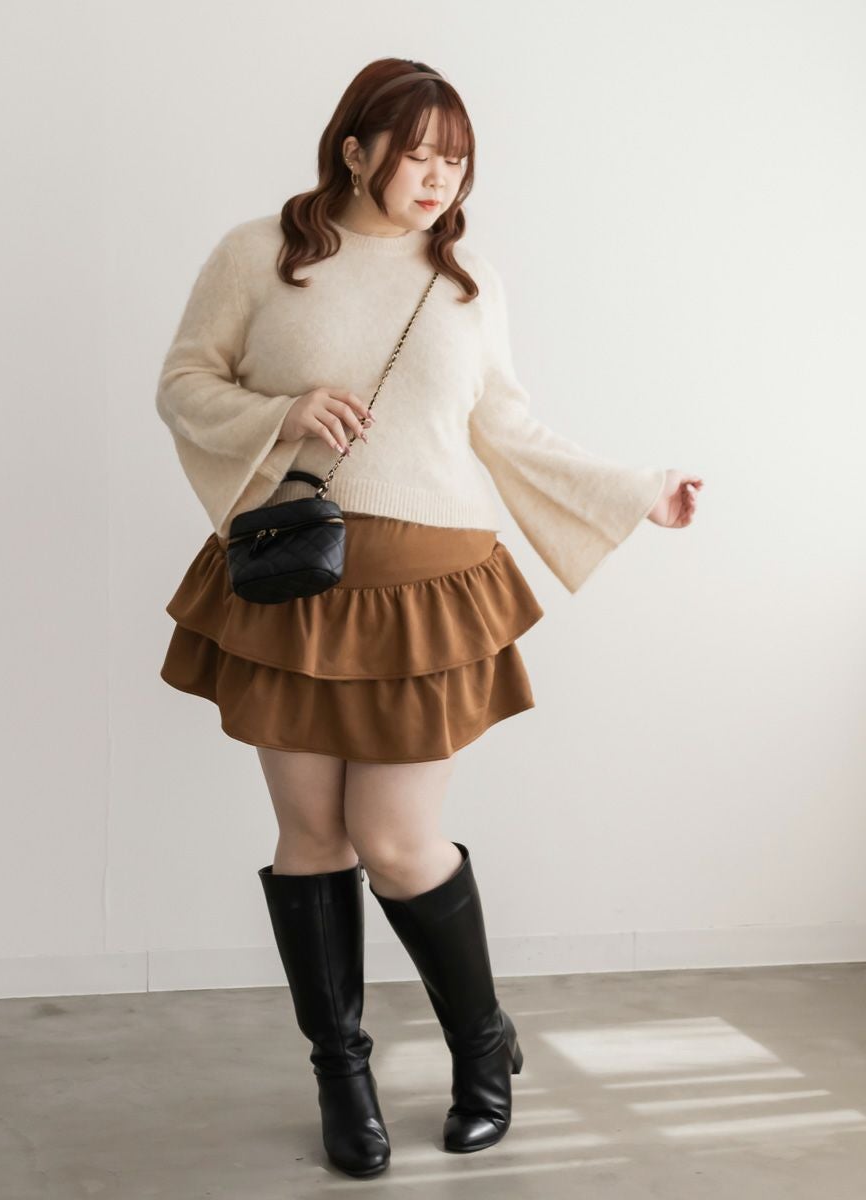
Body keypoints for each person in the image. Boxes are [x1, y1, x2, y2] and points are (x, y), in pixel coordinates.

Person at [154, 58, 703, 1179]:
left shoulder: (465, 282)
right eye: (420, 154)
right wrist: (282, 411)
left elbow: (507, 428)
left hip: (427, 593)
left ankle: (480, 1046)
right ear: (355, 150)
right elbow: (183, 384)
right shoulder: (260, 255)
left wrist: (636, 490)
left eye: (457, 160)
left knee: (398, 843)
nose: (441, 177)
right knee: (311, 837)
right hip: (297, 588)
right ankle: (341, 1075)